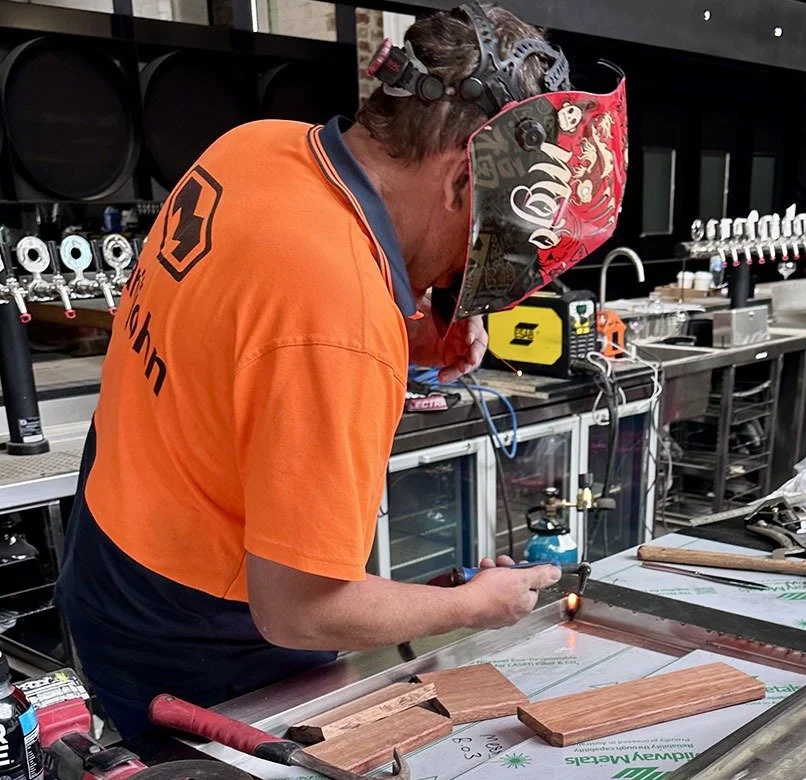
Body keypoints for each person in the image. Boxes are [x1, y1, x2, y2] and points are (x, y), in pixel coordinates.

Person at [54, 2, 628, 738]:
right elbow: (299, 609)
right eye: (486, 239)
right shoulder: (340, 318)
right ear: (460, 182)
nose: (466, 268)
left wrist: (416, 327)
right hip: (198, 641)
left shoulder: (257, 147)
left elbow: (248, 320)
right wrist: (473, 607)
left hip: (108, 546)